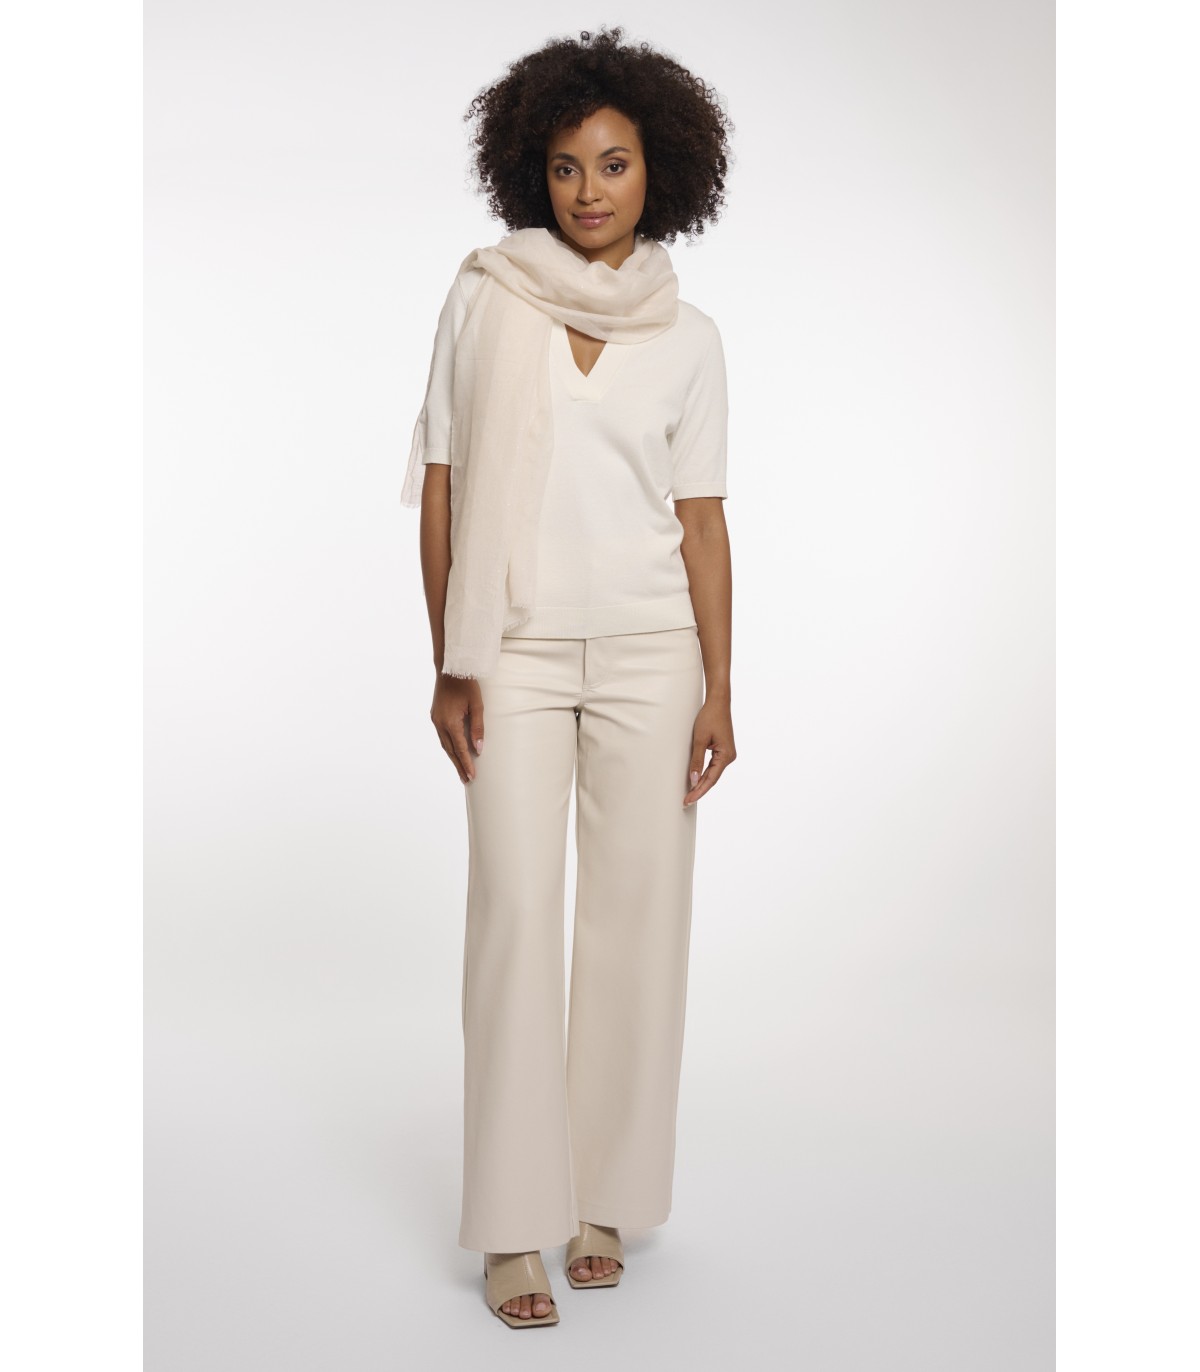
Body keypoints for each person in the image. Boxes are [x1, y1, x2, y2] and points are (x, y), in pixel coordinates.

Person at [402, 25, 737, 1329]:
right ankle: (511, 1225)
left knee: (638, 926)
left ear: (662, 172)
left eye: (613, 163)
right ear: (528, 176)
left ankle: (604, 1198)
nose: (589, 190)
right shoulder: (486, 299)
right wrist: (452, 661)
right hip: (517, 654)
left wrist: (721, 686)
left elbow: (703, 524)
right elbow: (441, 488)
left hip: (655, 656)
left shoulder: (691, 338)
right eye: (564, 166)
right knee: (514, 919)